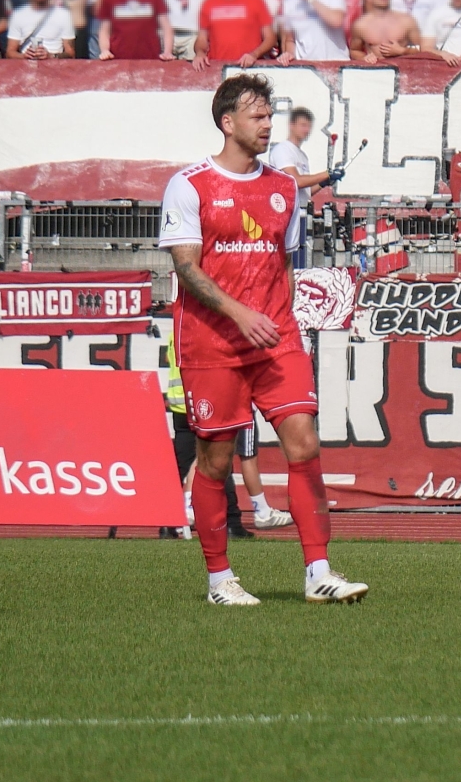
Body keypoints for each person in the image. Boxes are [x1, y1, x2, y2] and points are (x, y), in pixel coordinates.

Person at [158, 74, 368, 606]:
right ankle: (219, 580)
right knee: (215, 462)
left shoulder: (284, 188)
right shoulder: (189, 185)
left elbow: (285, 264)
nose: (268, 124)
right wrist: (240, 313)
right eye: (258, 115)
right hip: (212, 343)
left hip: (275, 337)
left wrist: (278, 317)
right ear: (227, 123)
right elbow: (186, 268)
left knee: (305, 444)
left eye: (270, 115)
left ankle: (318, 571)